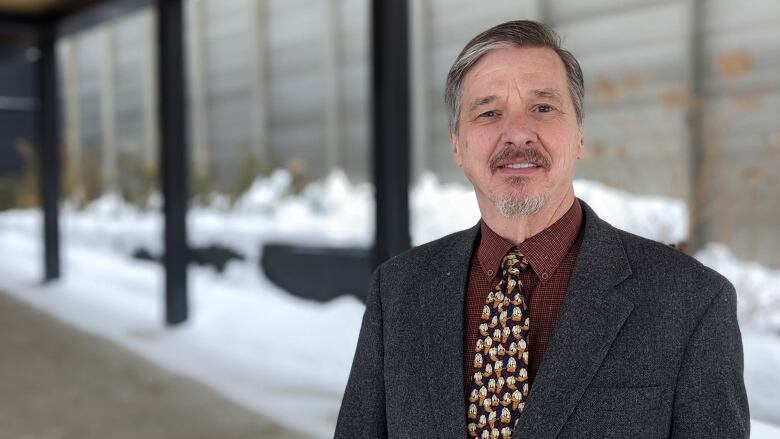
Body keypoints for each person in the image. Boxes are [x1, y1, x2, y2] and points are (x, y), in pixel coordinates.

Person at [334, 20, 748, 439]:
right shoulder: (399, 290)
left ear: (580, 134)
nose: (516, 133)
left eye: (543, 108)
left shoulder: (692, 302)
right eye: (489, 112)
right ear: (457, 144)